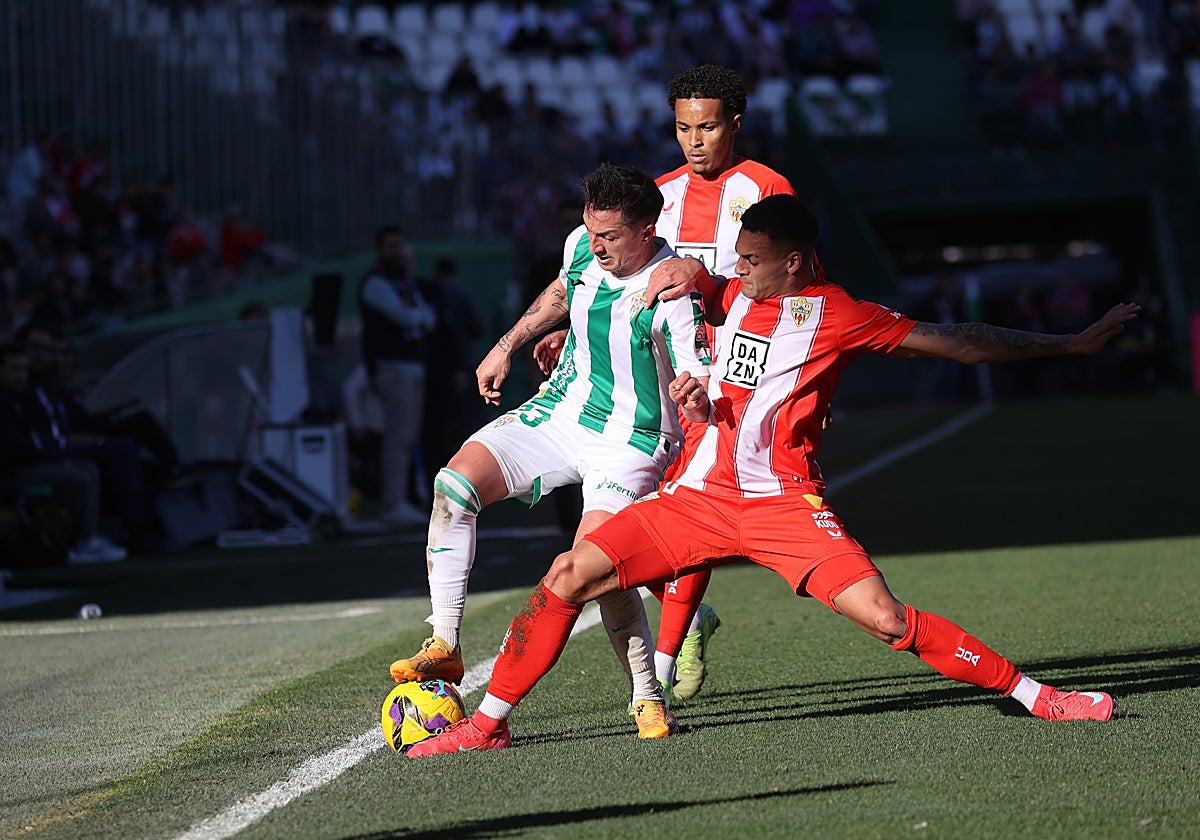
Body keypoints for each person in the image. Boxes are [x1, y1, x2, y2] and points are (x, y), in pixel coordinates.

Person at [405, 194, 1139, 757]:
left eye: (750, 259)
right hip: (694, 498)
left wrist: (1068, 344)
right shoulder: (731, 294)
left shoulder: (841, 314)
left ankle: (1041, 696)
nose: (736, 268)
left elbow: (961, 343)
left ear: (792, 261)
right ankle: (489, 726)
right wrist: (638, 314)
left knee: (888, 620)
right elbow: (681, 304)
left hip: (784, 507)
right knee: (568, 574)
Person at [388, 163, 712, 739]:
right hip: (561, 410)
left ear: (647, 228)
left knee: (596, 564)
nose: (596, 245)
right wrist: (510, 343)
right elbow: (565, 289)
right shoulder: (582, 247)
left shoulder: (672, 290)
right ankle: (445, 642)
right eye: (590, 232)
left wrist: (695, 389)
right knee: (453, 486)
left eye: (610, 236)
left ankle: (647, 697)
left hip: (631, 439)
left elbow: (697, 371)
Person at [534, 64, 800, 703]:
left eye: (707, 126)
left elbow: (794, 284)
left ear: (736, 123)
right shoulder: (657, 196)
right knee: (660, 506)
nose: (695, 141)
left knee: (698, 500)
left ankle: (674, 636)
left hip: (739, 366)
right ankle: (685, 619)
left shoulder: (766, 188)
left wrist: (710, 285)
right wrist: (574, 337)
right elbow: (618, 282)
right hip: (662, 374)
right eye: (683, 128)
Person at [0, 342, 126, 563]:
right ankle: (77, 540)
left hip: (33, 462)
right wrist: (56, 460)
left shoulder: (24, 398)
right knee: (78, 478)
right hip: (12, 471)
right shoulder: (5, 403)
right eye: (14, 369)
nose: (21, 375)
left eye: (23, 369)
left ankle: (86, 538)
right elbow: (17, 447)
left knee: (89, 469)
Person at [357, 225, 436, 528]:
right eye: (390, 246)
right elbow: (408, 316)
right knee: (397, 436)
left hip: (412, 367)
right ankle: (393, 502)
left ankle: (399, 499)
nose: (397, 253)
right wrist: (420, 318)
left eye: (400, 246)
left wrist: (420, 317)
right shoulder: (375, 283)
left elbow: (424, 314)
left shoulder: (402, 281)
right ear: (380, 249)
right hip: (393, 367)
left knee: (407, 436)